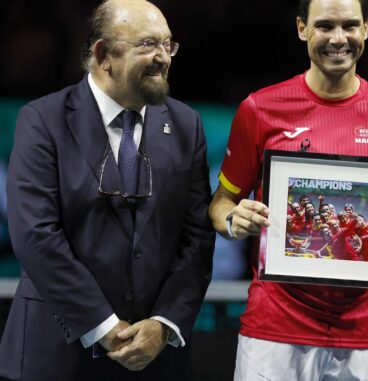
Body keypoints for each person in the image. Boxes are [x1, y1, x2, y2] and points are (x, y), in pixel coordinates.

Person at [208, 0, 368, 379]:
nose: (338, 38)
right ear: (301, 28)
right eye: (325, 26)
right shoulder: (259, 109)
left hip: (365, 332)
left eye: (349, 25)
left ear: (366, 28)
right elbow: (221, 203)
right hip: (274, 328)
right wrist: (232, 220)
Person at [0, 0, 215, 379]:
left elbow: (196, 239)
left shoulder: (187, 125)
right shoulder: (42, 120)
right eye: (148, 45)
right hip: (57, 354)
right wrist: (103, 326)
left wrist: (163, 324)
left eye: (169, 45)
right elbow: (36, 235)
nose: (163, 57)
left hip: (156, 358)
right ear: (103, 55)